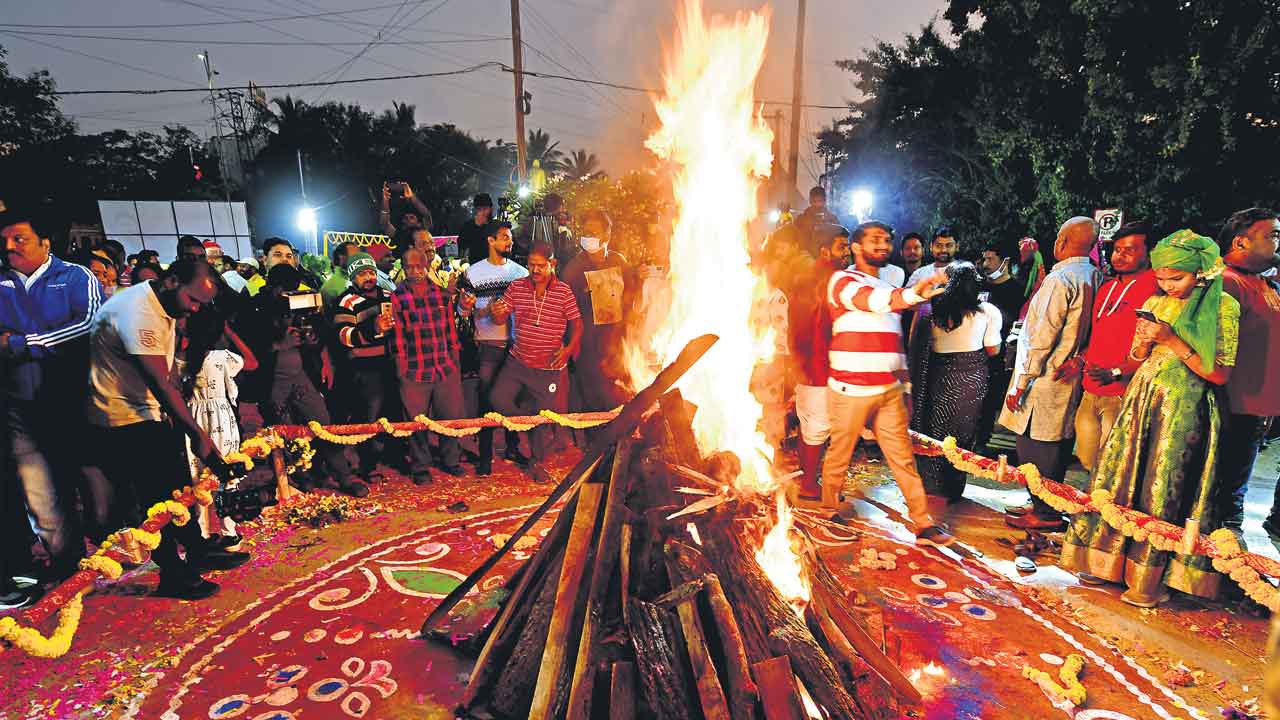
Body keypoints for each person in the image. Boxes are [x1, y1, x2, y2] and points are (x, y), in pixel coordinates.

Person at [1061, 230, 1239, 607]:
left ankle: (1148, 579)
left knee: (1163, 487)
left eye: (1177, 278)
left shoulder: (1223, 307)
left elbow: (1220, 374)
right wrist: (1143, 341)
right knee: (1120, 476)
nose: (1167, 286)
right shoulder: (1157, 301)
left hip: (1185, 408)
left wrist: (1172, 340)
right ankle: (1106, 562)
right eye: (1161, 278)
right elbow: (1139, 356)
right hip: (1142, 397)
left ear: (1202, 273)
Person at [88, 258, 249, 599]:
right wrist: (199, 435)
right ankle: (174, 574)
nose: (193, 310)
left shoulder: (164, 305)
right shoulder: (138, 312)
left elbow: (168, 376)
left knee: (177, 489)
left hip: (149, 410)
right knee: (155, 501)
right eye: (193, 300)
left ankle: (198, 551)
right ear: (172, 281)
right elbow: (160, 383)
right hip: (123, 417)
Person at [821, 221, 954, 546]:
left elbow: (896, 344)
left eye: (886, 240)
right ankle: (829, 512)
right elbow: (868, 300)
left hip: (889, 392)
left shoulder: (890, 288)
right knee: (840, 454)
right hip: (849, 388)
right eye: (875, 240)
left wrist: (906, 388)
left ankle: (922, 524)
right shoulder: (843, 280)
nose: (882, 245)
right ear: (856, 247)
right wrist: (911, 295)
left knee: (903, 459)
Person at [0, 207, 102, 584]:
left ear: (45, 242)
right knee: (40, 492)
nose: (9, 248)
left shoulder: (75, 277)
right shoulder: (1, 284)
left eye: (19, 239)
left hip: (74, 402)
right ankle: (68, 566)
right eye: (4, 242)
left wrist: (25, 343)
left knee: (93, 485)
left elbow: (90, 324)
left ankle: (113, 549)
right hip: (20, 407)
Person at [1000, 217, 1103, 531]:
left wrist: (1022, 382)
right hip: (1067, 375)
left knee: (1036, 444)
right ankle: (1041, 503)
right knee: (1053, 442)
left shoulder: (1061, 279)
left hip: (1043, 378)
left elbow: (1041, 336)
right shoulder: (1095, 275)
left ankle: (1046, 512)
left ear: (1061, 242)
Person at [247, 263, 368, 497]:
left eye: (293, 289)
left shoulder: (301, 302)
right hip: (272, 382)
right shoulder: (256, 308)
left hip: (302, 375)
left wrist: (313, 341)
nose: (289, 294)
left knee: (323, 425)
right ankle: (300, 477)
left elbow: (318, 335)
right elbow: (251, 347)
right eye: (284, 289)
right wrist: (278, 344)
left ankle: (343, 475)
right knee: (285, 431)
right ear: (271, 286)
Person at [908, 261, 1002, 501]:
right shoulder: (988, 312)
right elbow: (993, 350)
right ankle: (953, 488)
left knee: (934, 431)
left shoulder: (929, 311)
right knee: (963, 433)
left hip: (937, 378)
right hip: (971, 381)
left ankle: (933, 486)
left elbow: (915, 348)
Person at [1211, 208, 1280, 534]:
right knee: (1223, 504)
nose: (1278, 242)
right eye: (1272, 235)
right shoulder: (1226, 282)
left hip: (1255, 410)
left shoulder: (1262, 283)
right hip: (1233, 409)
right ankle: (1212, 572)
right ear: (1240, 242)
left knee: (1233, 494)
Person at [1067, 224, 1158, 473]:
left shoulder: (1156, 289)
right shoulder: (1107, 287)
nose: (1120, 255)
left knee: (1114, 468)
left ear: (1149, 254)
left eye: (1130, 249)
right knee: (1087, 461)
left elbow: (1155, 348)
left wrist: (1117, 372)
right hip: (1091, 390)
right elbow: (1096, 336)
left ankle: (1105, 512)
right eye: (1117, 249)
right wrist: (1080, 361)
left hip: (1123, 393)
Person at [489, 241, 582, 484]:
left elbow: (577, 324)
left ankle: (538, 463)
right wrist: (496, 313)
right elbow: (500, 316)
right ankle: (528, 424)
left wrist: (568, 350)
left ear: (553, 264)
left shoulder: (564, 291)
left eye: (541, 266)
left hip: (548, 369)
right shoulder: (517, 287)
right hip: (518, 362)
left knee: (544, 419)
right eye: (531, 265)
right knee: (497, 399)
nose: (535, 271)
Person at [457, 222, 529, 475]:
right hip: (487, 345)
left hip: (515, 345)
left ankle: (513, 446)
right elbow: (462, 311)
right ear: (490, 240)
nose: (509, 243)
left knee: (513, 400)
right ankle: (485, 455)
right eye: (504, 238)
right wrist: (473, 307)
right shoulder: (473, 273)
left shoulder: (520, 273)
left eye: (510, 238)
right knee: (486, 399)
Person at [391, 247, 468, 483]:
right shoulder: (397, 297)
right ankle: (420, 467)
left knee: (449, 417)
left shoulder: (442, 295)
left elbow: (450, 331)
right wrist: (401, 369)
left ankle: (451, 460)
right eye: (409, 267)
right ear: (402, 268)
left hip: (443, 365)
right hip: (414, 369)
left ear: (427, 266)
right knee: (416, 422)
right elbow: (398, 336)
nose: (414, 272)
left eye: (419, 266)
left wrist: (455, 363)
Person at [784, 223, 849, 502]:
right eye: (841, 247)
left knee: (811, 425)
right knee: (817, 427)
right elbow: (816, 329)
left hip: (810, 368)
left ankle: (807, 477)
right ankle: (809, 484)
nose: (847, 252)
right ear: (825, 251)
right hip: (819, 368)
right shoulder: (825, 282)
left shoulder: (814, 279)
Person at [185, 322, 257, 546]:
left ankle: (203, 535)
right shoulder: (220, 356)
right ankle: (229, 533)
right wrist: (230, 332)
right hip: (221, 418)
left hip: (193, 418)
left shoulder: (179, 359)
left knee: (197, 475)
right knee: (227, 472)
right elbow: (252, 363)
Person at [332, 252, 399, 481]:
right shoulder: (346, 301)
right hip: (364, 367)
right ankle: (368, 465)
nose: (368, 277)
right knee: (370, 415)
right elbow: (343, 335)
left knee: (393, 411)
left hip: (391, 362)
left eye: (371, 272)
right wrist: (373, 329)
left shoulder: (390, 295)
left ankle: (392, 455)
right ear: (352, 278)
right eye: (361, 274)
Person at [561, 209, 633, 419]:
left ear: (606, 235)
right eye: (585, 233)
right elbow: (565, 309)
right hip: (588, 345)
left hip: (617, 342)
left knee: (619, 392)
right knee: (592, 397)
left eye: (593, 233)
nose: (588, 237)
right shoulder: (574, 269)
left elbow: (631, 296)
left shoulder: (619, 262)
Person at [379, 181, 433, 252]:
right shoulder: (399, 235)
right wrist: (385, 202)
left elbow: (426, 215)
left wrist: (412, 197)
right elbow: (385, 225)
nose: (408, 219)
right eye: (405, 218)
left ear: (418, 222)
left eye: (411, 217)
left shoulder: (424, 230)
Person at [794, 186, 839, 256]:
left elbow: (838, 240)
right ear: (810, 201)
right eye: (815, 201)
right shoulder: (801, 219)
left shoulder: (832, 219)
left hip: (826, 260)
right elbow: (795, 239)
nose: (817, 204)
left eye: (820, 201)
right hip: (806, 260)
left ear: (824, 201)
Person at [459, 193, 497, 265]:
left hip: (494, 267)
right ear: (475, 210)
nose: (482, 212)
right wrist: (477, 226)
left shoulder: (496, 226)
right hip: (474, 266)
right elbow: (462, 246)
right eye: (479, 209)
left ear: (491, 208)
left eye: (485, 208)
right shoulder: (468, 226)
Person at [320, 241, 360, 308]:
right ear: (341, 257)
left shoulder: (361, 279)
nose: (359, 259)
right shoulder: (330, 288)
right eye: (355, 256)